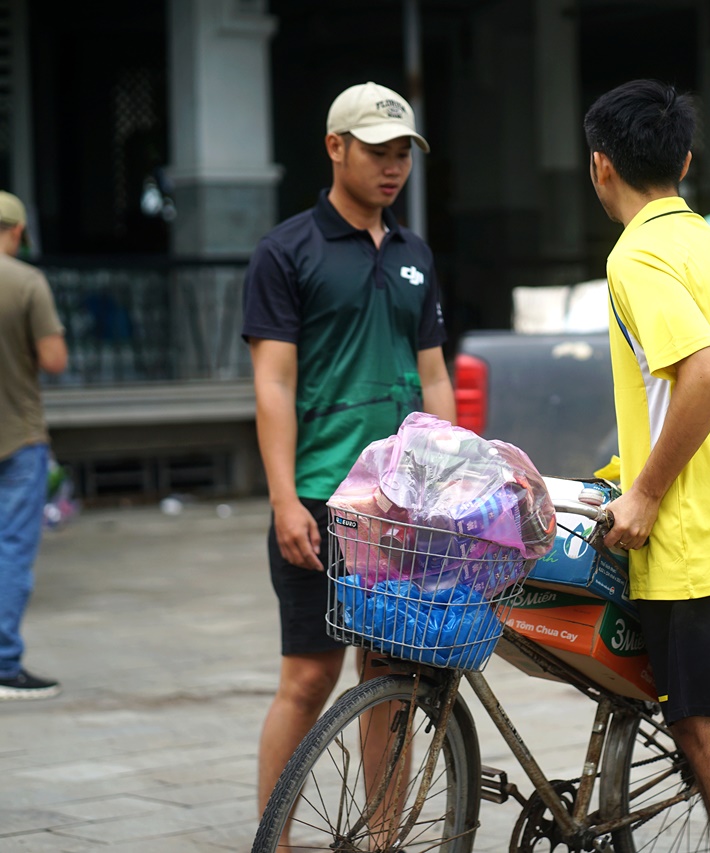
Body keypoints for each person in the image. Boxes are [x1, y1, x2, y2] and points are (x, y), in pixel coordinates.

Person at [241, 81, 456, 828]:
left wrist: (451, 490)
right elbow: (272, 382)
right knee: (307, 677)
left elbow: (434, 375)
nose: (392, 167)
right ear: (335, 148)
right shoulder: (286, 252)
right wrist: (283, 502)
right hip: (318, 498)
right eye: (376, 151)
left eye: (402, 153)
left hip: (400, 511)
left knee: (391, 676)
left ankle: (383, 837)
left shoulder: (413, 252)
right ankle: (277, 840)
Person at [584, 79, 710, 852]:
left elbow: (707, 373)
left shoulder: (637, 257)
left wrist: (645, 492)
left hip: (693, 542)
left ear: (602, 166)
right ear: (686, 159)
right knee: (706, 729)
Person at [0, 190, 68, 701]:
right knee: (12, 552)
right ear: (18, 231)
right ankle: (3, 663)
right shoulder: (25, 282)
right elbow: (54, 360)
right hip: (16, 435)